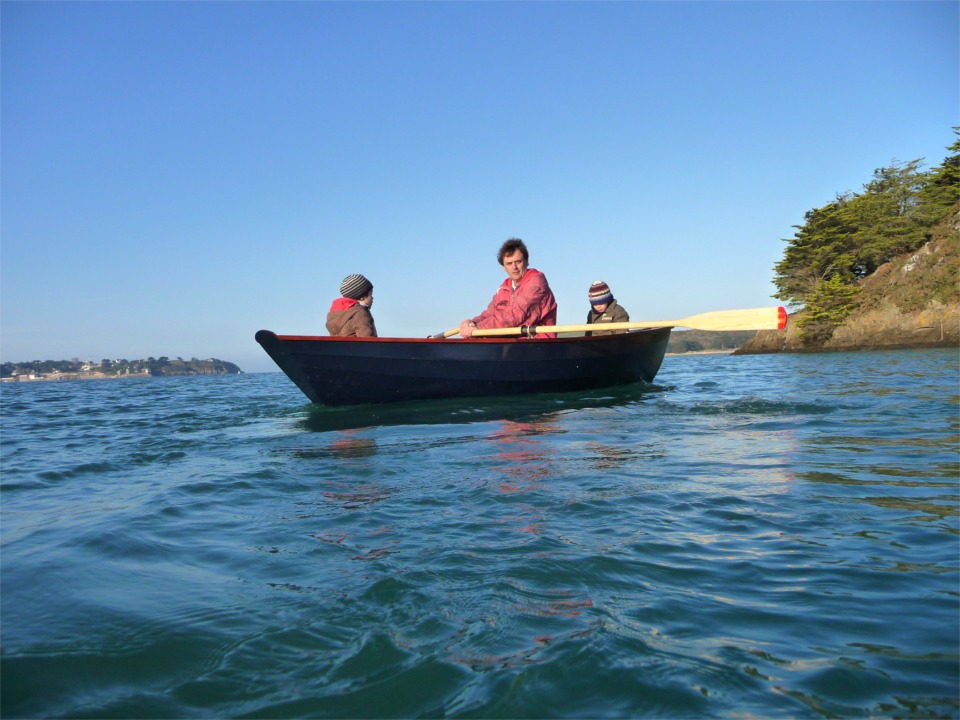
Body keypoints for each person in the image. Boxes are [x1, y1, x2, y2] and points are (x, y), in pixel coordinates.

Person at [459, 238, 558, 338]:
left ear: (527, 262)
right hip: (512, 344)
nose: (514, 267)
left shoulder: (536, 283)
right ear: (504, 267)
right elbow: (490, 313)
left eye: (518, 262)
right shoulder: (504, 288)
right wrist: (473, 322)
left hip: (538, 345)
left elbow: (518, 314)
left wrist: (479, 328)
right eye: (509, 263)